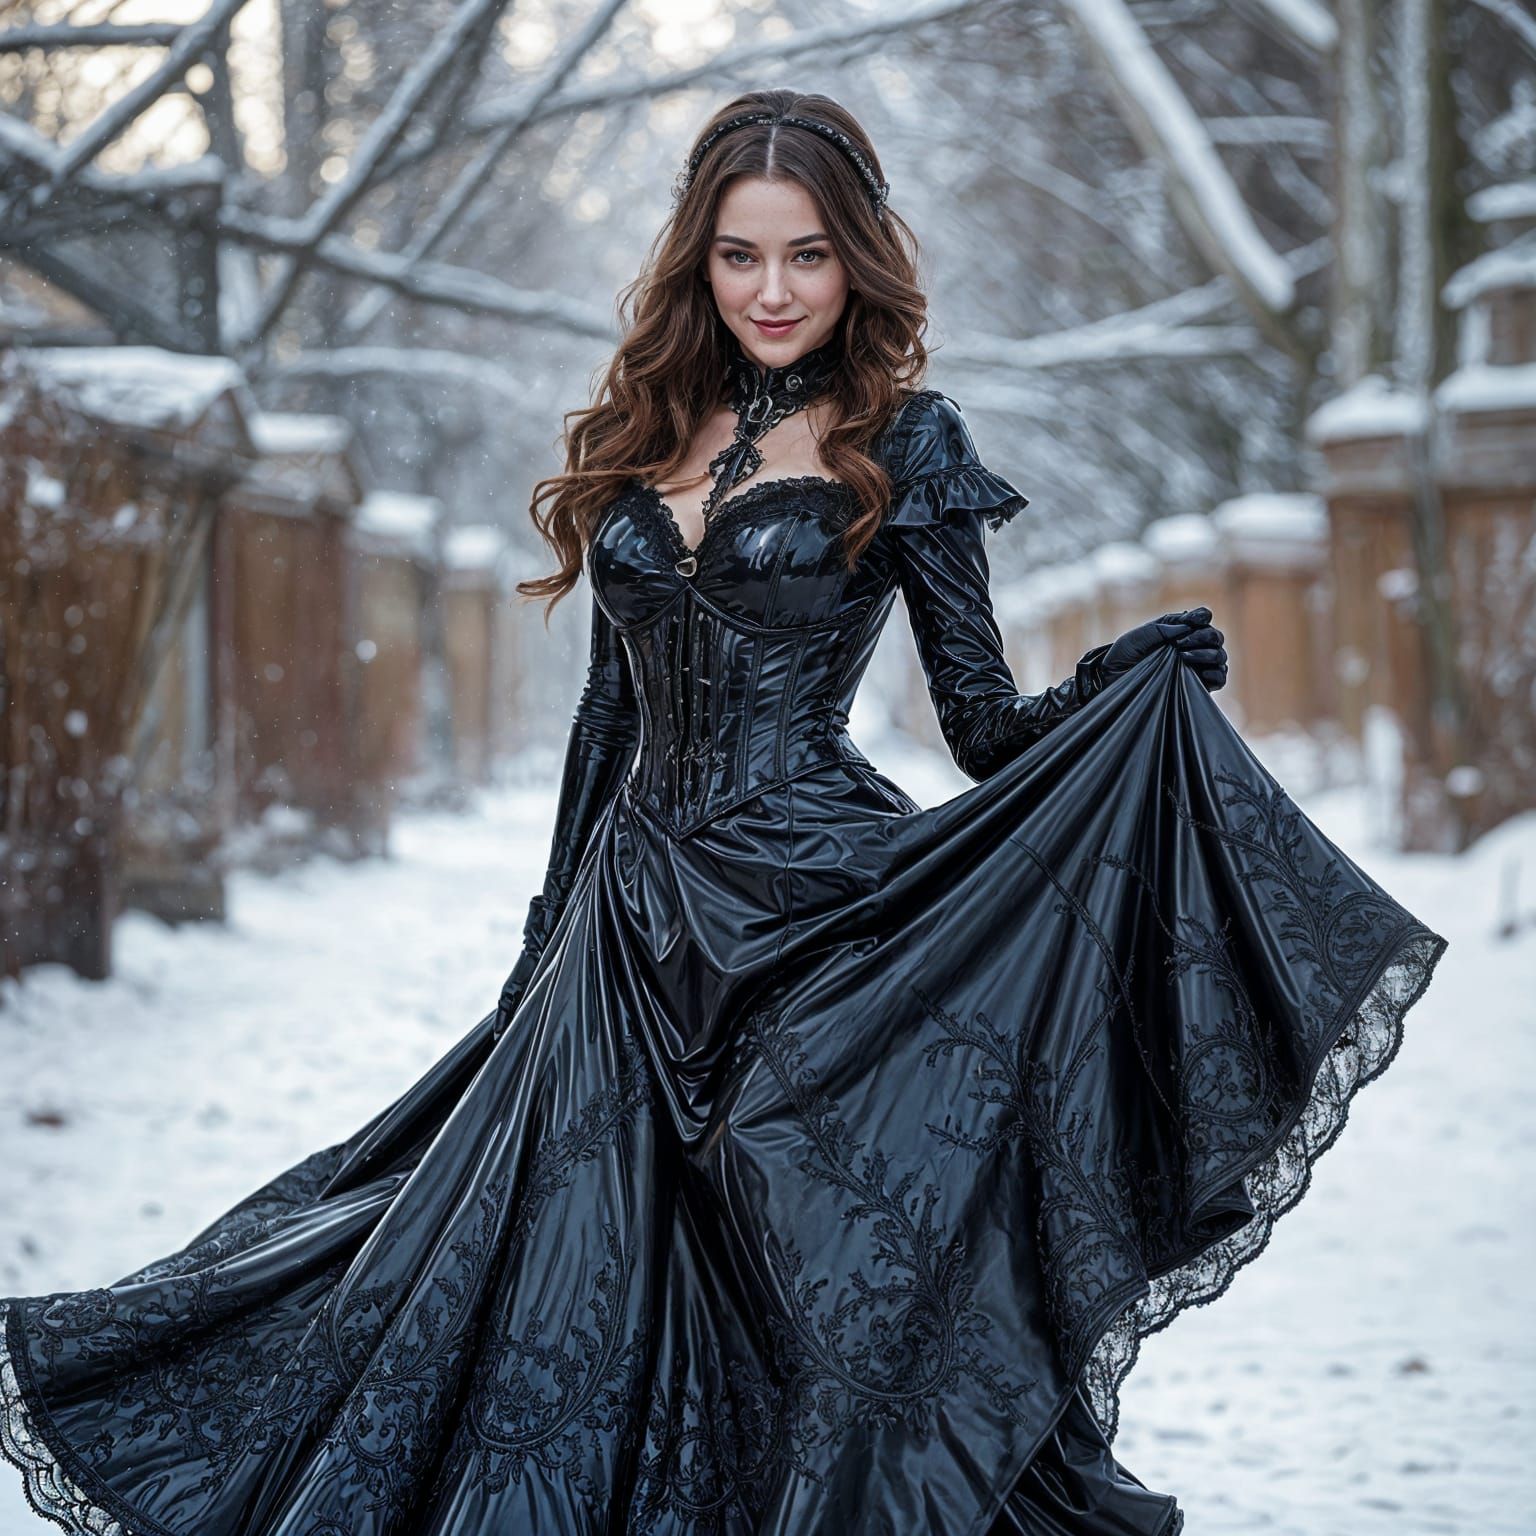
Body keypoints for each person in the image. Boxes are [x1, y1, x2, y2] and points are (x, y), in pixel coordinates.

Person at [0, 90, 1446, 1536]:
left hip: (814, 922)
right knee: (524, 1280)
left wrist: (1118, 684)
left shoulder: (908, 440)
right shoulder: (644, 431)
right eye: (741, 255)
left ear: (857, 260)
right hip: (627, 932)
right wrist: (547, 933)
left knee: (822, 1300)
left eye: (808, 255)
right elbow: (606, 719)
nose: (773, 291)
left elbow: (983, 726)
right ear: (698, 259)